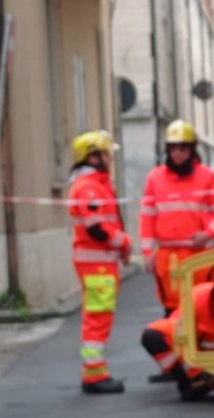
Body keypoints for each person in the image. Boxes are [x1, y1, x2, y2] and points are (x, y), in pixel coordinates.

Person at [139, 119, 214, 383]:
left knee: (200, 308)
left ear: (192, 149)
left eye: (183, 148)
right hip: (168, 256)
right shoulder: (155, 178)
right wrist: (147, 252)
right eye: (173, 148)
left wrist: (209, 232)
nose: (178, 153)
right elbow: (147, 216)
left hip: (199, 255)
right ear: (167, 150)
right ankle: (176, 364)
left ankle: (202, 362)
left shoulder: (207, 175)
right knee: (171, 309)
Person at [69, 130, 131, 394]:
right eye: (106, 153)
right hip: (97, 265)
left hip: (100, 264)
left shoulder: (96, 184)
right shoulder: (89, 187)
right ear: (93, 157)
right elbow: (96, 229)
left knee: (99, 316)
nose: (109, 158)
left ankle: (95, 370)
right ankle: (94, 374)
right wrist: (124, 241)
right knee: (97, 318)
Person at [140, 281, 214, 403]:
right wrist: (197, 375)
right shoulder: (194, 301)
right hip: (197, 357)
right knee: (152, 336)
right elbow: (182, 343)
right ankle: (190, 382)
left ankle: (206, 383)